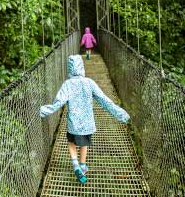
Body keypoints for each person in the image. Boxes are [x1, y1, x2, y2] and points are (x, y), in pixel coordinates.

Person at [39, 55, 130, 184]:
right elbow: (104, 99)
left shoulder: (68, 84)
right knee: (84, 144)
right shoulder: (90, 82)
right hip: (87, 123)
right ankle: (82, 165)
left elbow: (58, 102)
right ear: (82, 67)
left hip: (73, 123)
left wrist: (43, 111)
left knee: (71, 142)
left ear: (69, 68)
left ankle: (75, 165)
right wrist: (121, 114)